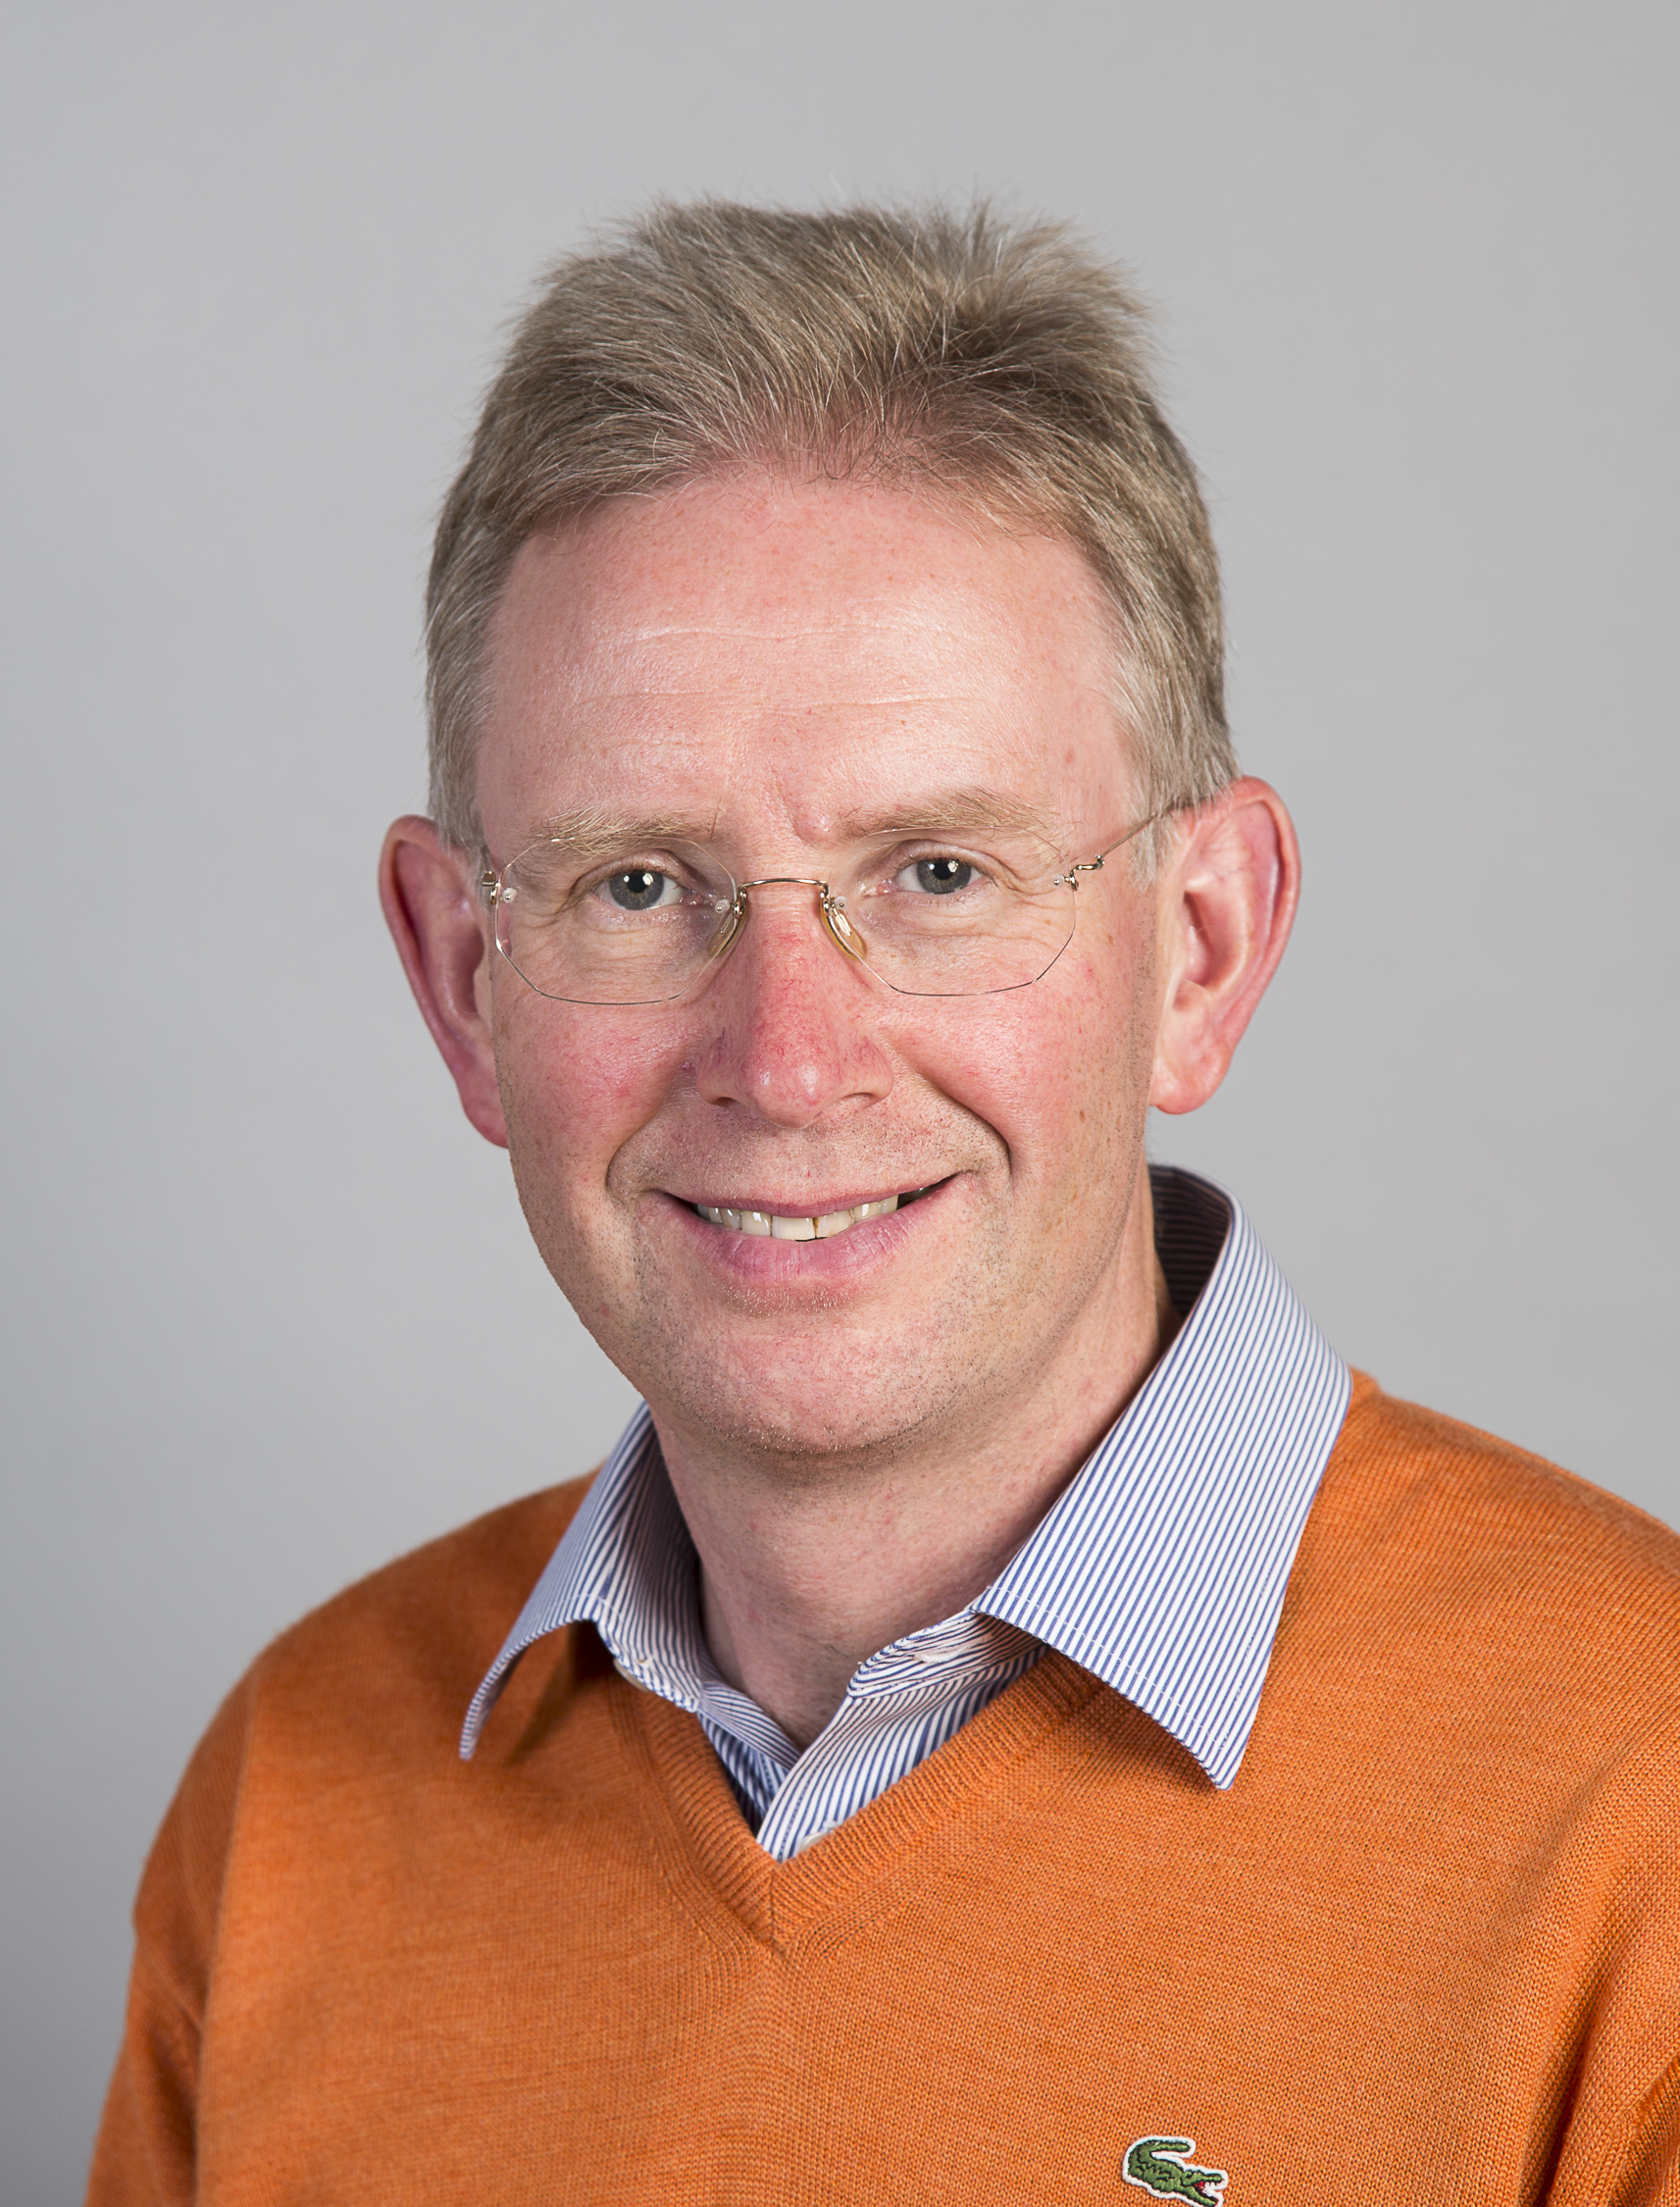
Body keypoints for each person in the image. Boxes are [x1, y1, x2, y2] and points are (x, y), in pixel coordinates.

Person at [89, 201, 1680, 2206]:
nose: (786, 1058)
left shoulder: (1637, 1808)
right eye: (637, 884)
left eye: (937, 874)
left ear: (1197, 948)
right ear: (459, 976)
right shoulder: (297, 1799)